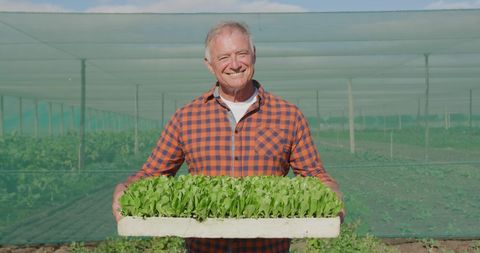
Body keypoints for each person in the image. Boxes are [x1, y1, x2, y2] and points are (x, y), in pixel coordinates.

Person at [112, 21, 344, 253]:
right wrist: (125, 188)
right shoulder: (186, 117)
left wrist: (331, 193)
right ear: (209, 65)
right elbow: (153, 174)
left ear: (254, 55)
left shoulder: (288, 115)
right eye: (224, 57)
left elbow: (314, 176)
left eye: (241, 54)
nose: (234, 64)